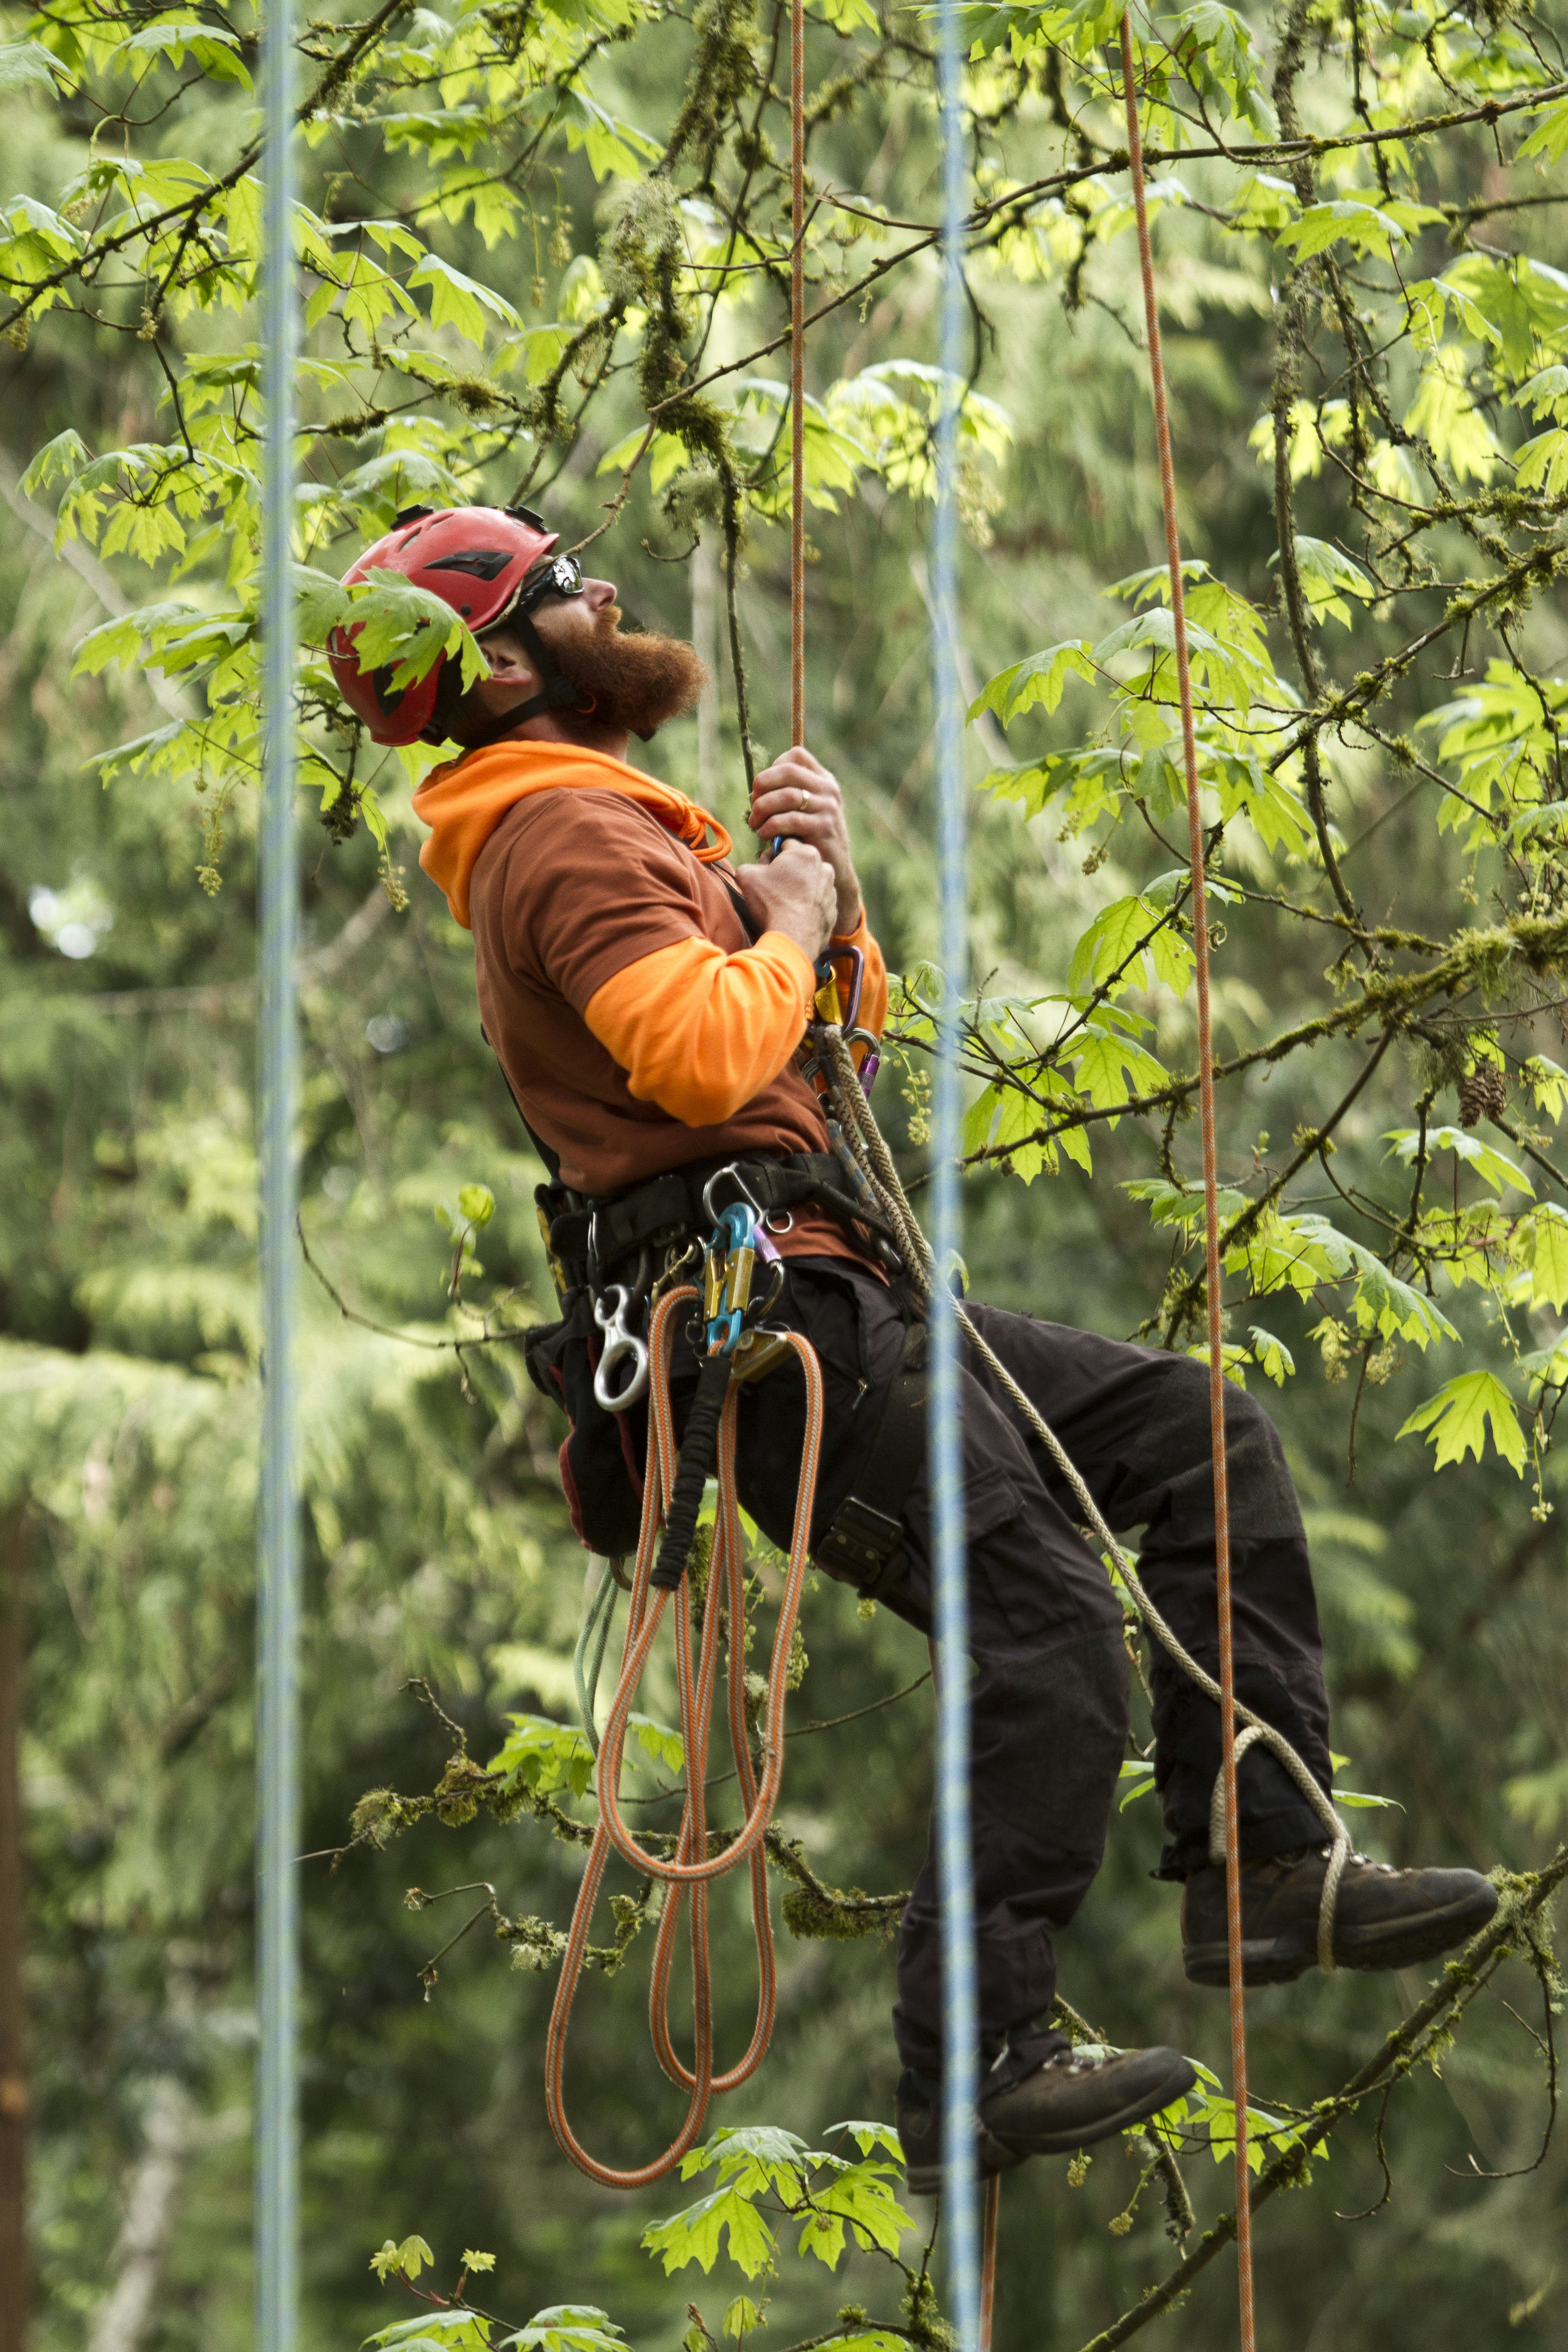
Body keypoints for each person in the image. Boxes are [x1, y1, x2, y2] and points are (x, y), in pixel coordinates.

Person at [329, 504, 1498, 2194]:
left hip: (830, 1290)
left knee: (1192, 1432)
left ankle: (1269, 1859)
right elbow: (696, 1060)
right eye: (569, 589)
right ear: (503, 665)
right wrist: (787, 918)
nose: (612, 598)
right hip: (770, 1327)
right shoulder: (560, 838)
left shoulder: (605, 823)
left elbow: (821, 1057)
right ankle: (980, 2057)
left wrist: (826, 909)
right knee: (1045, 1634)